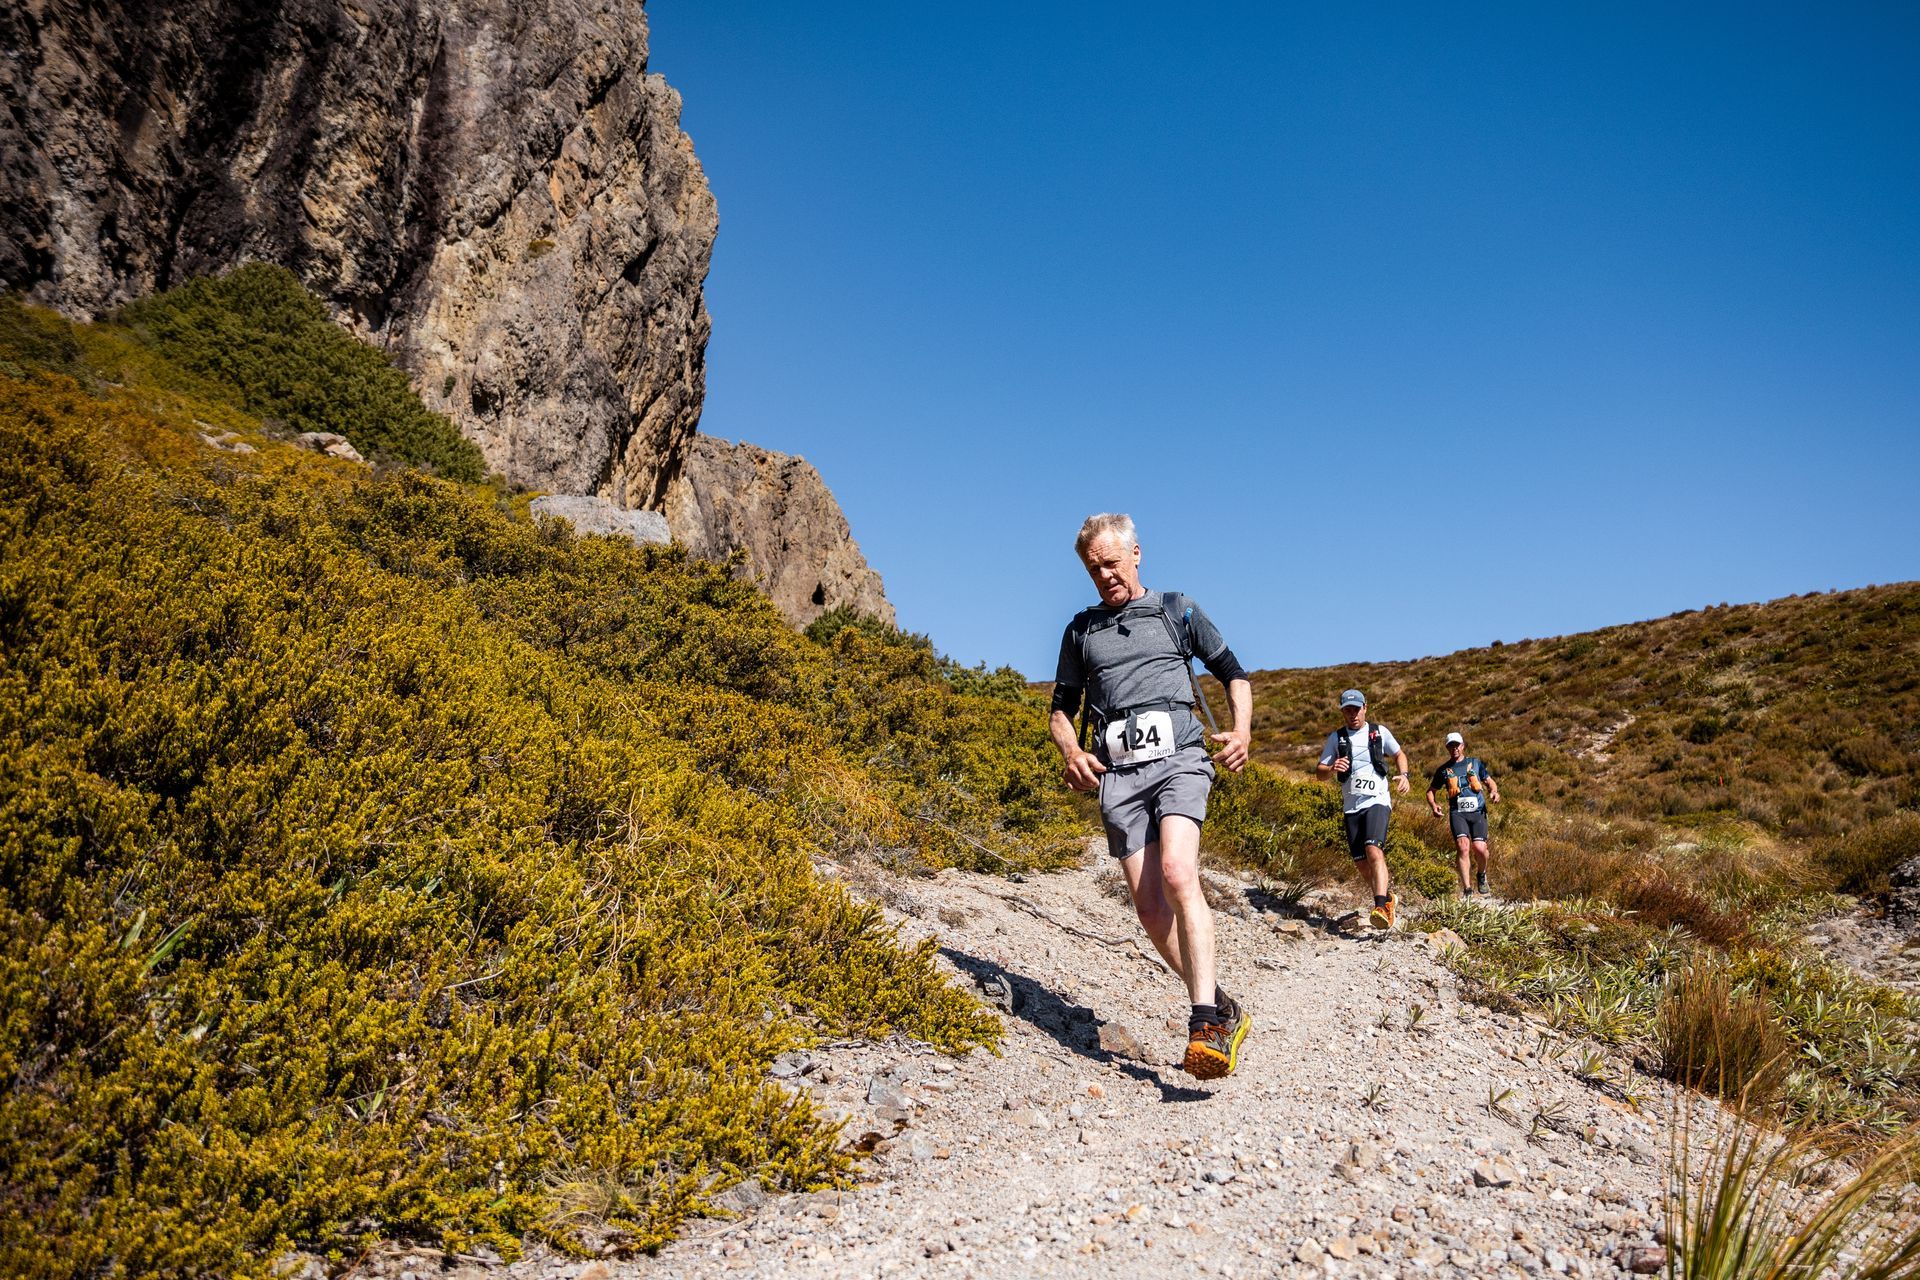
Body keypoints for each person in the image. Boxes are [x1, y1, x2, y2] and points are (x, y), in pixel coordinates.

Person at [1048, 513, 1255, 1080]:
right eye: (1094, 569)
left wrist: (1241, 731)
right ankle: (1220, 1002)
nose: (1105, 576)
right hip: (1119, 776)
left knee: (1179, 872)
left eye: (1112, 563)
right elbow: (1060, 710)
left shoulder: (1177, 611)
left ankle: (1205, 1024)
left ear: (1136, 554)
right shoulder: (1080, 632)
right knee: (1147, 906)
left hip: (1181, 761)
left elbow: (1233, 673)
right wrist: (1072, 752)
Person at [1315, 689, 1410, 929]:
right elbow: (1319, 773)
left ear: (1365, 707)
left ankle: (1379, 907)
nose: (1352, 714)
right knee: (1360, 862)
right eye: (1347, 710)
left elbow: (1399, 754)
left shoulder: (1379, 732)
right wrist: (1332, 767)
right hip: (1351, 807)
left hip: (1377, 800)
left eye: (1356, 709)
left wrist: (1404, 775)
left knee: (1373, 850)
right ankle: (1388, 900)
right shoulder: (1336, 739)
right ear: (1342, 712)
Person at [1428, 731, 1501, 897]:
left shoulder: (1475, 763)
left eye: (1457, 745)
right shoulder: (1443, 770)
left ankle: (1481, 874)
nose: (1454, 749)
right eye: (1451, 746)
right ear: (1447, 748)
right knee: (1463, 846)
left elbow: (1489, 782)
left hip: (1477, 811)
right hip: (1457, 812)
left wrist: (1494, 792)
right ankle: (1467, 888)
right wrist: (1434, 805)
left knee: (1480, 848)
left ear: (1463, 746)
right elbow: (1430, 791)